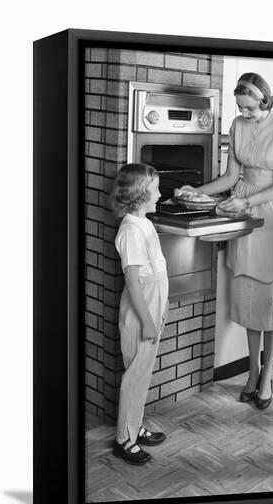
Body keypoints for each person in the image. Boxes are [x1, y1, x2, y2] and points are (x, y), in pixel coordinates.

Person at [180, 72, 273, 409]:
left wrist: (246, 202)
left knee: (270, 299)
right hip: (241, 206)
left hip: (270, 210)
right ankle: (252, 371)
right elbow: (231, 177)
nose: (245, 114)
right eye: (241, 109)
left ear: (264, 100)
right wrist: (195, 192)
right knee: (247, 295)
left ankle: (267, 374)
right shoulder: (237, 125)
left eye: (250, 108)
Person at [111, 163, 169, 466]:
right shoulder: (131, 231)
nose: (160, 194)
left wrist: (159, 311)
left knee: (142, 374)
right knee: (134, 377)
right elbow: (133, 282)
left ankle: (134, 426)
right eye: (155, 189)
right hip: (139, 313)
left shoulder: (143, 223)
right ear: (139, 195)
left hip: (151, 308)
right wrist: (147, 319)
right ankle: (124, 439)